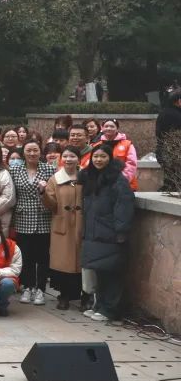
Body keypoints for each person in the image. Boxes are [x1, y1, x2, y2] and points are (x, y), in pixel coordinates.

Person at [78, 144, 135, 322]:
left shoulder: (117, 179)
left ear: (110, 158)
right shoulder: (90, 177)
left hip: (110, 233)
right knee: (99, 272)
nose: (98, 160)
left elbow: (124, 205)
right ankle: (99, 306)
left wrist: (121, 230)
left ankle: (110, 309)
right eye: (95, 156)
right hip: (94, 232)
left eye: (103, 156)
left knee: (112, 273)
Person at [10, 140, 55, 305]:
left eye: (35, 150)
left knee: (43, 256)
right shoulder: (15, 169)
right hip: (23, 217)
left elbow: (54, 193)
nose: (32, 153)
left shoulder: (49, 169)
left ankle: (41, 289)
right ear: (23, 152)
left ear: (40, 152)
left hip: (43, 216)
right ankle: (27, 286)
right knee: (26, 255)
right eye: (28, 150)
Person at [43, 145, 84, 310]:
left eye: (72, 156)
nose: (68, 159)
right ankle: (64, 295)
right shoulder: (55, 179)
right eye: (65, 156)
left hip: (82, 224)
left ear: (78, 159)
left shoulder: (85, 177)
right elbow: (51, 205)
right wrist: (43, 194)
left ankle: (84, 296)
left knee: (82, 261)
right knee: (63, 262)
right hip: (62, 225)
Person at [97, 119, 138, 190]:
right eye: (106, 126)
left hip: (124, 185)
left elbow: (131, 164)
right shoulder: (97, 145)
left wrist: (121, 180)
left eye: (112, 126)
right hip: (102, 186)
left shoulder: (127, 144)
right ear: (102, 128)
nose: (109, 128)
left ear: (117, 129)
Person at [155, 89, 181, 192]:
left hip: (165, 151)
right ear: (178, 101)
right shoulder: (175, 115)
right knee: (174, 180)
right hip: (172, 153)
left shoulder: (164, 112)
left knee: (171, 179)